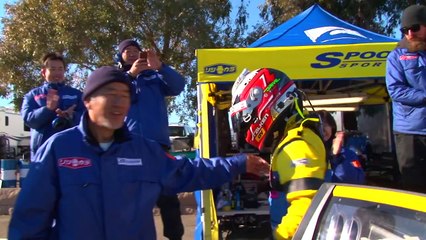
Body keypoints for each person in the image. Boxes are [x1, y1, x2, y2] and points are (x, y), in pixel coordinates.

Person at [8, 66, 270, 240]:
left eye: (124, 96)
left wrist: (239, 162)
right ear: (87, 101)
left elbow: (189, 171)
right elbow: (29, 219)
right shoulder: (58, 149)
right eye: (110, 93)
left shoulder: (144, 151)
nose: (120, 102)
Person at [229, 68, 341, 239]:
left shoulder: (297, 143)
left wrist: (279, 237)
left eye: (247, 119)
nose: (247, 129)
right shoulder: (294, 138)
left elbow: (306, 206)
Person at [115, 39, 186, 239]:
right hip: (128, 147)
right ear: (120, 56)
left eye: (135, 50)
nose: (131, 53)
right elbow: (114, 96)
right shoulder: (118, 78)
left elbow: (178, 86)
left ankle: (175, 236)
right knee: (134, 200)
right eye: (126, 50)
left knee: (169, 197)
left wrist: (161, 66)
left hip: (158, 146)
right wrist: (131, 75)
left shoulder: (155, 77)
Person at [385, 4, 426, 193]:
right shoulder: (396, 56)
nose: (410, 33)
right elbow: (395, 90)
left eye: (415, 28)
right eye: (404, 30)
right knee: (414, 189)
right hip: (410, 132)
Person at [21, 52, 85, 160]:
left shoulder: (77, 94)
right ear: (44, 72)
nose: (57, 72)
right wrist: (47, 109)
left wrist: (72, 116)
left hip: (71, 153)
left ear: (64, 71)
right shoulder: (32, 95)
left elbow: (89, 118)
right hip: (42, 155)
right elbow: (28, 120)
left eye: (60, 69)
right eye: (53, 69)